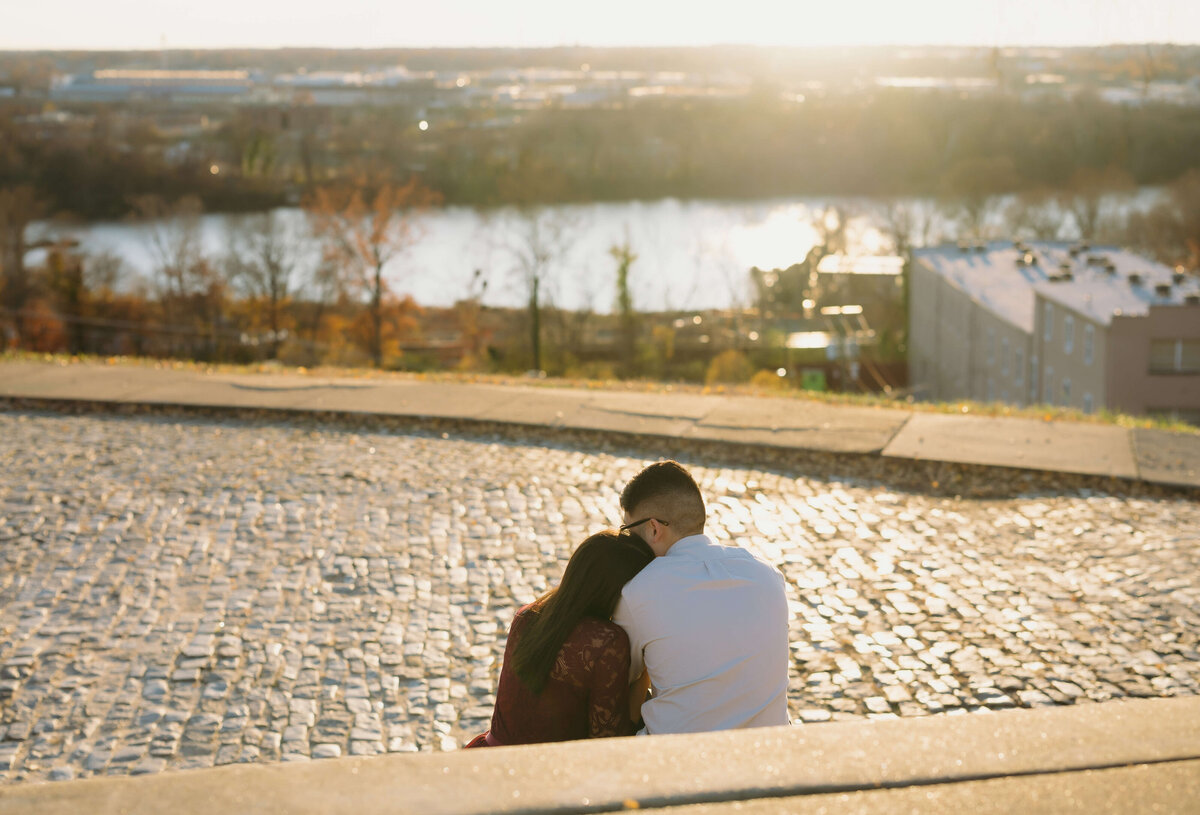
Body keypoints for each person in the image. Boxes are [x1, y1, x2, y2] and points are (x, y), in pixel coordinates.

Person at [613, 460, 790, 734]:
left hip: (679, 763)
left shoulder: (639, 591)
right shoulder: (767, 575)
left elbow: (622, 680)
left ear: (653, 529)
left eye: (628, 531)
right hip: (768, 755)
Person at [465, 530, 655, 747]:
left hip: (490, 754)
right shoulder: (606, 642)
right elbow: (609, 738)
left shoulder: (528, 616)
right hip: (545, 771)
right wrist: (646, 671)